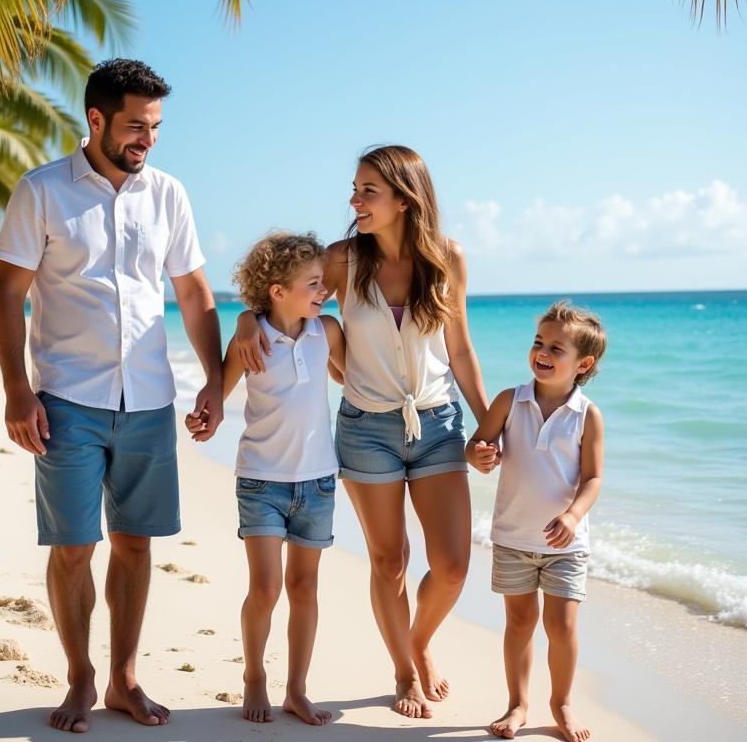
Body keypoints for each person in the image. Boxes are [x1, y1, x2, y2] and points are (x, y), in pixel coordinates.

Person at [0, 59, 223, 733]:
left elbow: (193, 293)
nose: (146, 139)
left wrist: (212, 377)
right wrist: (16, 390)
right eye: (134, 126)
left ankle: (122, 677)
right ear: (95, 120)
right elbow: (9, 295)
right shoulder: (42, 192)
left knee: (136, 544)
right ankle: (79, 677)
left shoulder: (170, 195)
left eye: (154, 127)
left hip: (149, 398)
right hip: (66, 399)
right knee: (71, 547)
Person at [233, 145, 493, 719]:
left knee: (451, 565)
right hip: (365, 428)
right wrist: (247, 320)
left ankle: (418, 642)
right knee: (389, 560)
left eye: (367, 190)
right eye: (355, 188)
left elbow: (461, 347)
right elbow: (276, 294)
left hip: (439, 421)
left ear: (404, 199)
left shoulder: (447, 257)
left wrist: (484, 422)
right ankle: (404, 668)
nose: (354, 201)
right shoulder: (342, 260)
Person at [188, 232, 345, 727]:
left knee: (305, 588)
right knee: (266, 588)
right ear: (278, 291)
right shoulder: (250, 339)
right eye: (314, 283)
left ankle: (297, 688)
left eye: (324, 283)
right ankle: (254, 676)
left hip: (318, 481)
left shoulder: (328, 331)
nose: (325, 291)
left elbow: (351, 377)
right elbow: (218, 391)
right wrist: (203, 418)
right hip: (262, 481)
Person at [468, 301, 606, 742]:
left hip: (566, 544)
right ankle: (517, 704)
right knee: (520, 623)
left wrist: (573, 513)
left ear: (582, 364)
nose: (542, 352)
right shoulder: (510, 400)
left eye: (556, 348)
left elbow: (594, 478)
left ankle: (561, 703)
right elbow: (477, 446)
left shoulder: (588, 415)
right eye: (538, 342)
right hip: (512, 537)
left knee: (562, 627)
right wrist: (481, 456)